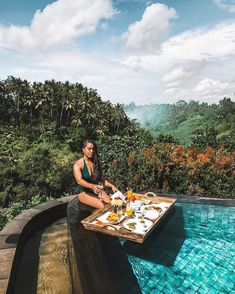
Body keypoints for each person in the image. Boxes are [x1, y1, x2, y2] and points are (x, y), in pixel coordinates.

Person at [73, 139, 119, 209]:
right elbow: (79, 180)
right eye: (89, 149)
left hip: (96, 190)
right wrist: (92, 186)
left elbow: (102, 179)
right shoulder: (78, 164)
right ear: (83, 150)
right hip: (84, 192)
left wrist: (112, 185)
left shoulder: (96, 162)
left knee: (112, 203)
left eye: (93, 149)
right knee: (103, 206)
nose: (92, 151)